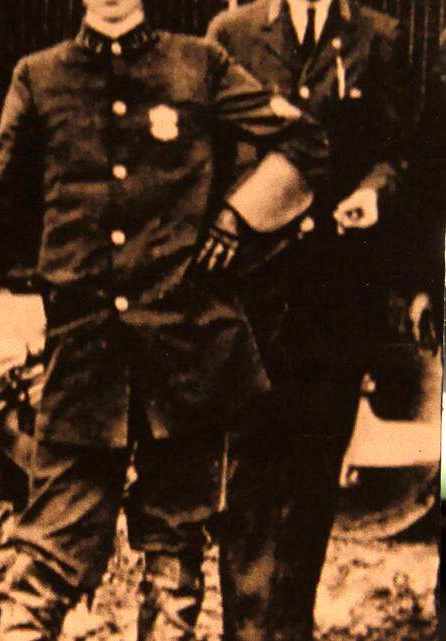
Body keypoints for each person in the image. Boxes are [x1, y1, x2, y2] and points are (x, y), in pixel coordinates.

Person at [0, 0, 329, 639]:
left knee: (174, 566)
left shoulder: (199, 65)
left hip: (187, 358)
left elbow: (306, 142)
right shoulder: (40, 77)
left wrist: (239, 218)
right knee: (44, 563)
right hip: (84, 363)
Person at [204, 2, 411, 639]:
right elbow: (207, 159)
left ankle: (290, 623)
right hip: (252, 299)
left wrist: (374, 192)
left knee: (314, 473)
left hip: (338, 297)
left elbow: (399, 152)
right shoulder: (232, 35)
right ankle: (245, 624)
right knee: (248, 474)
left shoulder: (379, 38)